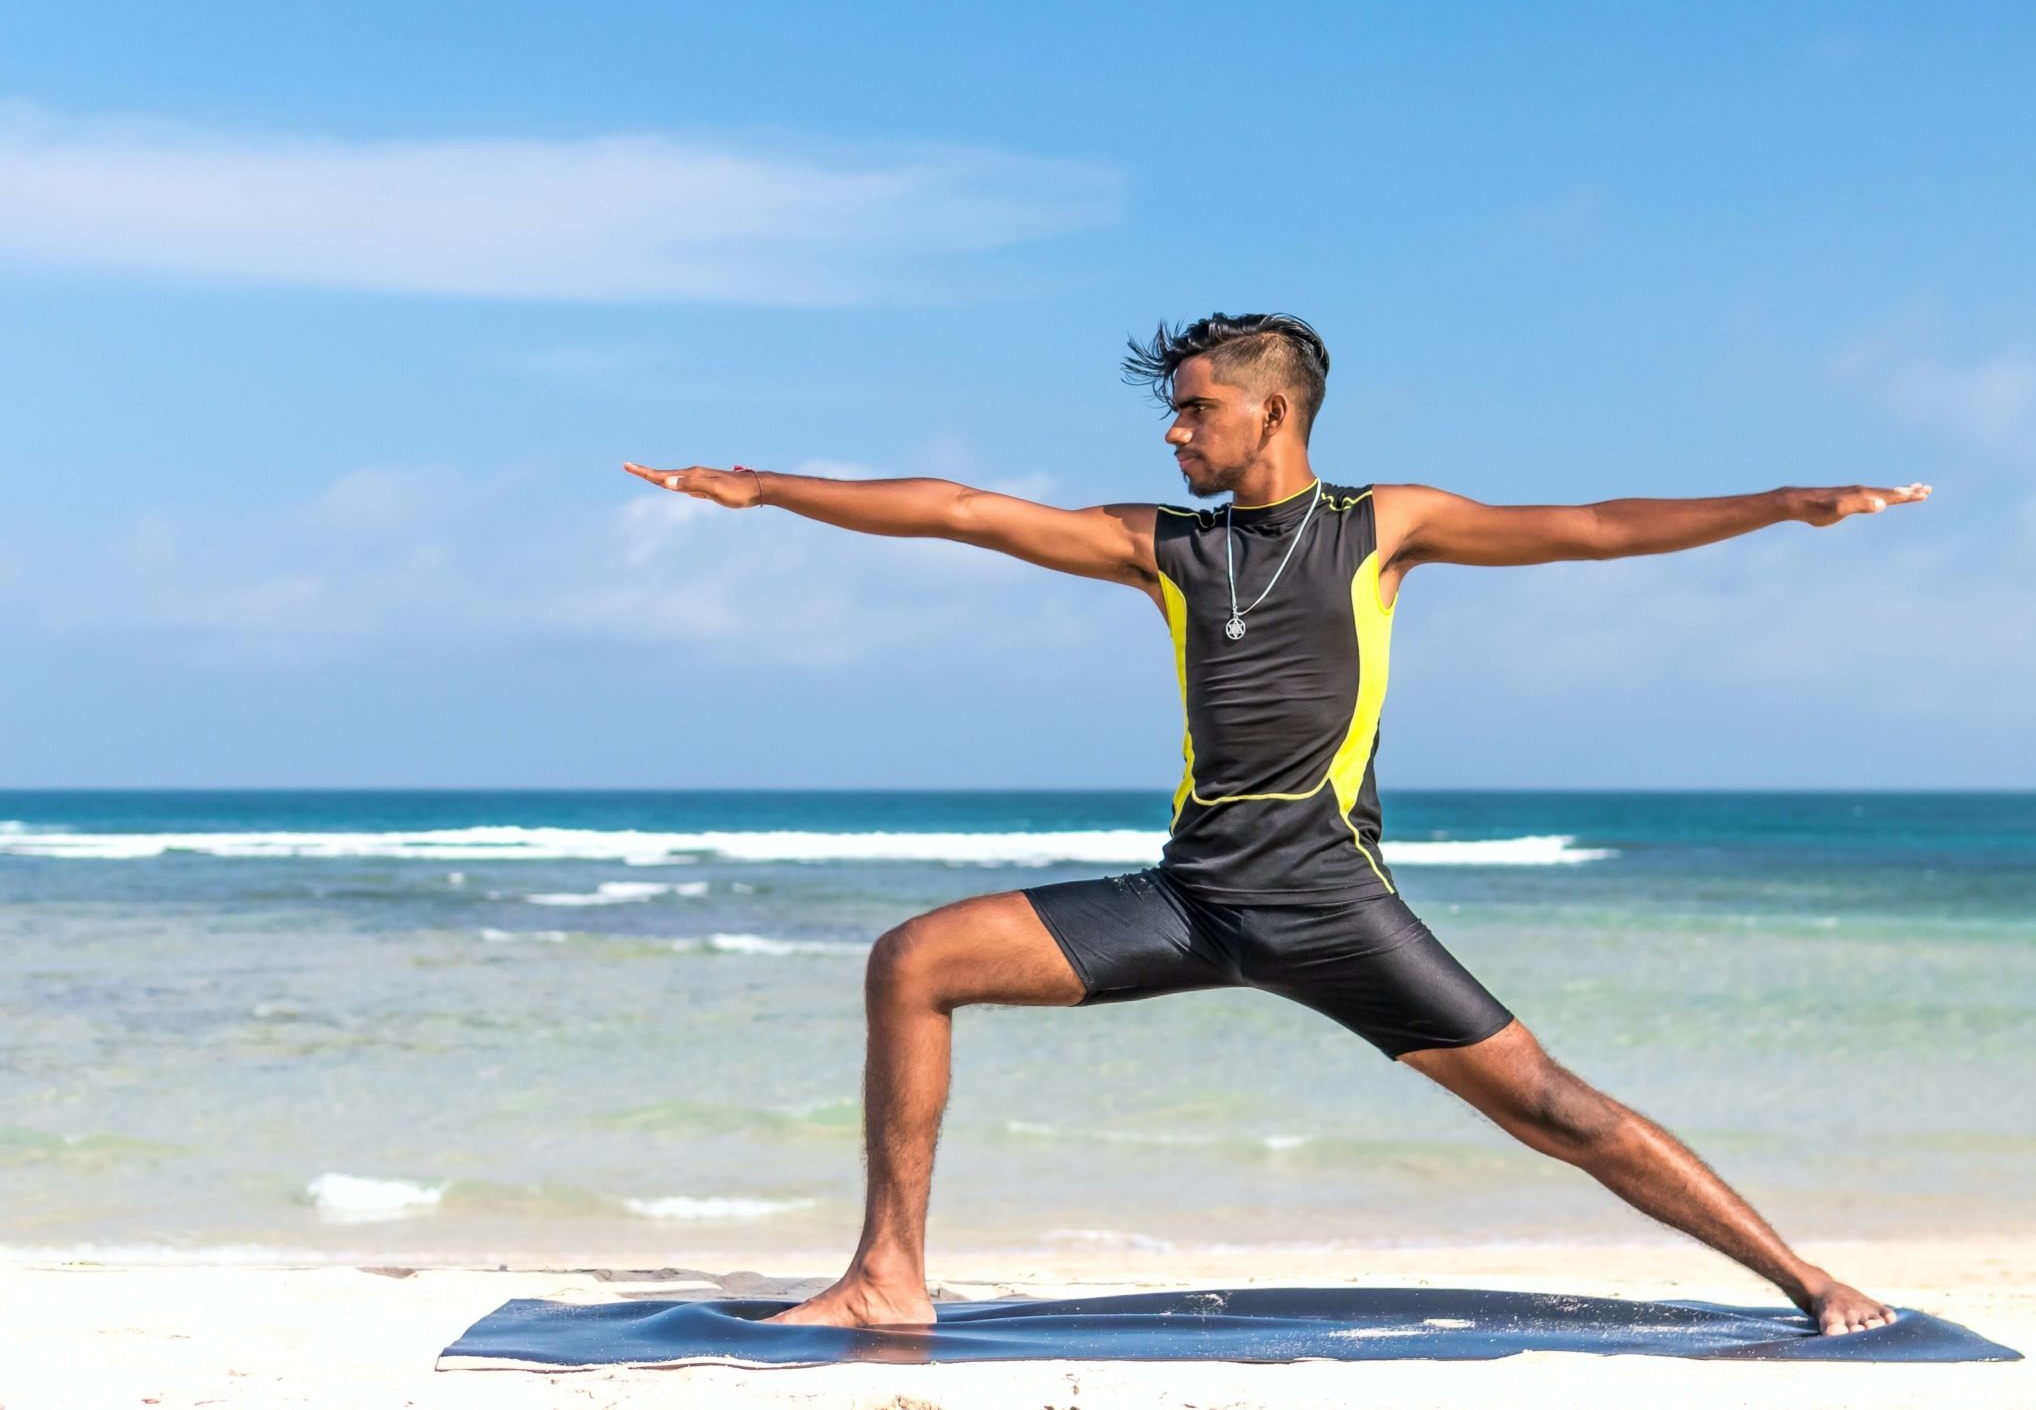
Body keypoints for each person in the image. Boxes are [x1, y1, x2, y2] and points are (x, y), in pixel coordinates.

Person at [624, 311, 1928, 1335]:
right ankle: (886, 1274)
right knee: (913, 962)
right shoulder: (1168, 549)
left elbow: (1590, 527)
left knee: (1556, 1111)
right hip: (1188, 903)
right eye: (1175, 413)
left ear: (1273, 409)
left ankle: (1806, 1279)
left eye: (1196, 409)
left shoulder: (1380, 529)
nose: (1177, 435)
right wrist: (771, 488)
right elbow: (965, 509)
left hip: (1332, 907)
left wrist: (1775, 504)